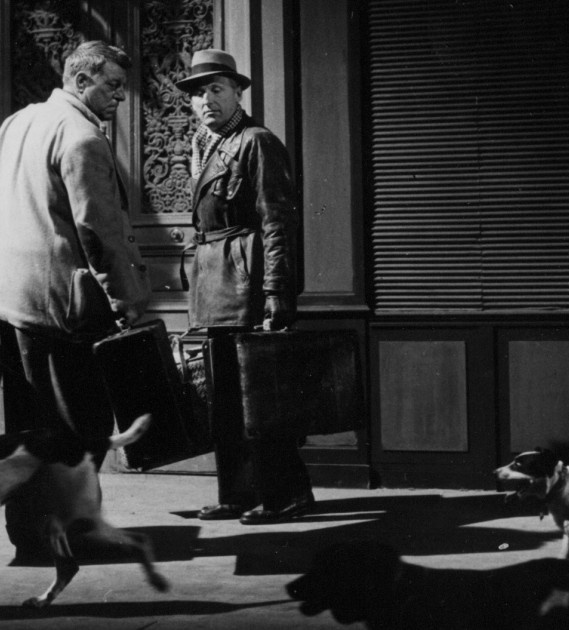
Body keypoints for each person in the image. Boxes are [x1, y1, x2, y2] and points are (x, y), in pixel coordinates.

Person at [0, 40, 151, 561]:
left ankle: (31, 537)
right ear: (81, 82)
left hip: (7, 307)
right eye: (113, 86)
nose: (120, 97)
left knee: (28, 431)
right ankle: (73, 534)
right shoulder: (82, 136)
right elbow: (99, 231)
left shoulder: (15, 124)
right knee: (79, 429)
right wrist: (128, 302)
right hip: (63, 310)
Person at [177, 49, 313, 525]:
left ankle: (287, 495)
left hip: (247, 280)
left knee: (260, 397)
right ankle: (237, 495)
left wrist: (277, 292)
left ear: (237, 92)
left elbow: (277, 222)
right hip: (214, 282)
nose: (206, 100)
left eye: (216, 89)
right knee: (226, 400)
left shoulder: (256, 142)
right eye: (198, 93)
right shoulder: (205, 145)